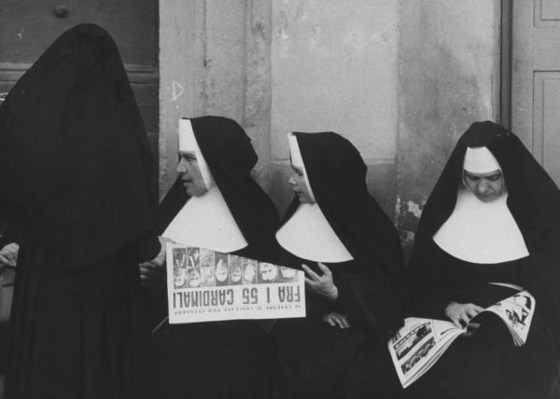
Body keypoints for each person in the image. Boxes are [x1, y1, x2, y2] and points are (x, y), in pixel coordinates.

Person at [0, 24, 159, 398]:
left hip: (40, 276)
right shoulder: (114, 131)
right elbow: (135, 216)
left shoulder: (28, 122)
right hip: (104, 283)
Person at [405, 121, 559, 398]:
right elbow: (421, 279)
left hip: (520, 337)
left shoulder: (541, 214)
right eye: (472, 178)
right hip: (457, 330)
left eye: (492, 177)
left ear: (508, 173)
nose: (482, 188)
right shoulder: (444, 214)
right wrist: (449, 306)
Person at [140, 116, 281, 398]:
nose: (180, 169)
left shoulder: (258, 215)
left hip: (230, 355)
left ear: (218, 160)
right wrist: (143, 271)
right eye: (181, 158)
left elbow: (268, 293)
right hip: (164, 346)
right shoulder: (172, 207)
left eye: (189, 159)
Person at [273, 131, 405, 397]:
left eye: (299, 173)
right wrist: (318, 310)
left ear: (324, 177)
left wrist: (337, 293)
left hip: (360, 337)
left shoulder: (374, 230)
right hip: (303, 331)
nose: (291, 181)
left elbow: (392, 301)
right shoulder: (290, 223)